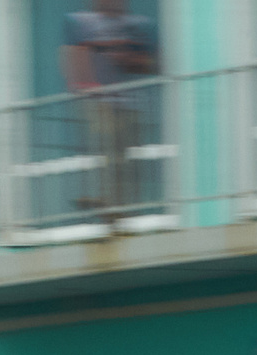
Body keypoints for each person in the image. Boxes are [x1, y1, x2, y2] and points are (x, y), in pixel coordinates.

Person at [63, 0, 158, 213]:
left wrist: (128, 59)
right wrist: (84, 85)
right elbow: (73, 55)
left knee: (122, 158)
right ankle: (107, 202)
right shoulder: (82, 22)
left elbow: (152, 64)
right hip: (100, 102)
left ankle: (119, 207)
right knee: (105, 150)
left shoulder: (137, 25)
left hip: (129, 103)